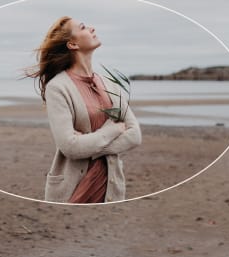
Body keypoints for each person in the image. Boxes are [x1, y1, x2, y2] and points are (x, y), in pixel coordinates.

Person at [23, 16, 142, 204]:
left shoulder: (111, 85)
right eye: (83, 27)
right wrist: (111, 131)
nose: (92, 28)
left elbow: (135, 136)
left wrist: (88, 147)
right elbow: (69, 147)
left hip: (112, 190)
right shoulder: (58, 88)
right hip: (73, 192)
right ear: (72, 44)